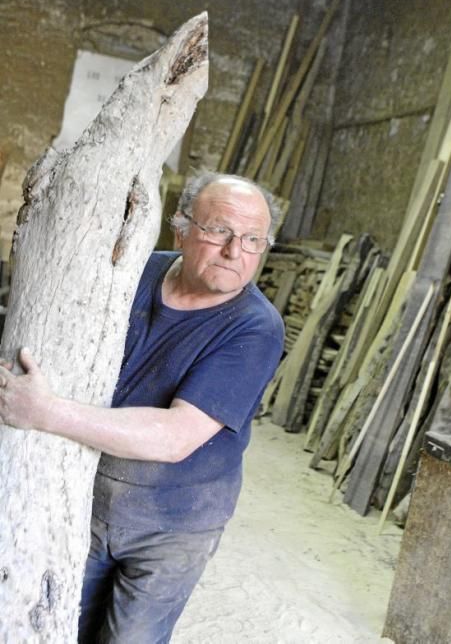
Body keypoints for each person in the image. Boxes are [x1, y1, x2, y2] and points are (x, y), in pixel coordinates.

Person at [0, 172, 285, 643]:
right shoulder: (137, 270)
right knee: (59, 623)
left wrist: (46, 412)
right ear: (182, 228)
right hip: (89, 496)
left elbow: (175, 437)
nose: (235, 252)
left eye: (253, 240)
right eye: (219, 231)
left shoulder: (255, 328)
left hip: (175, 521)